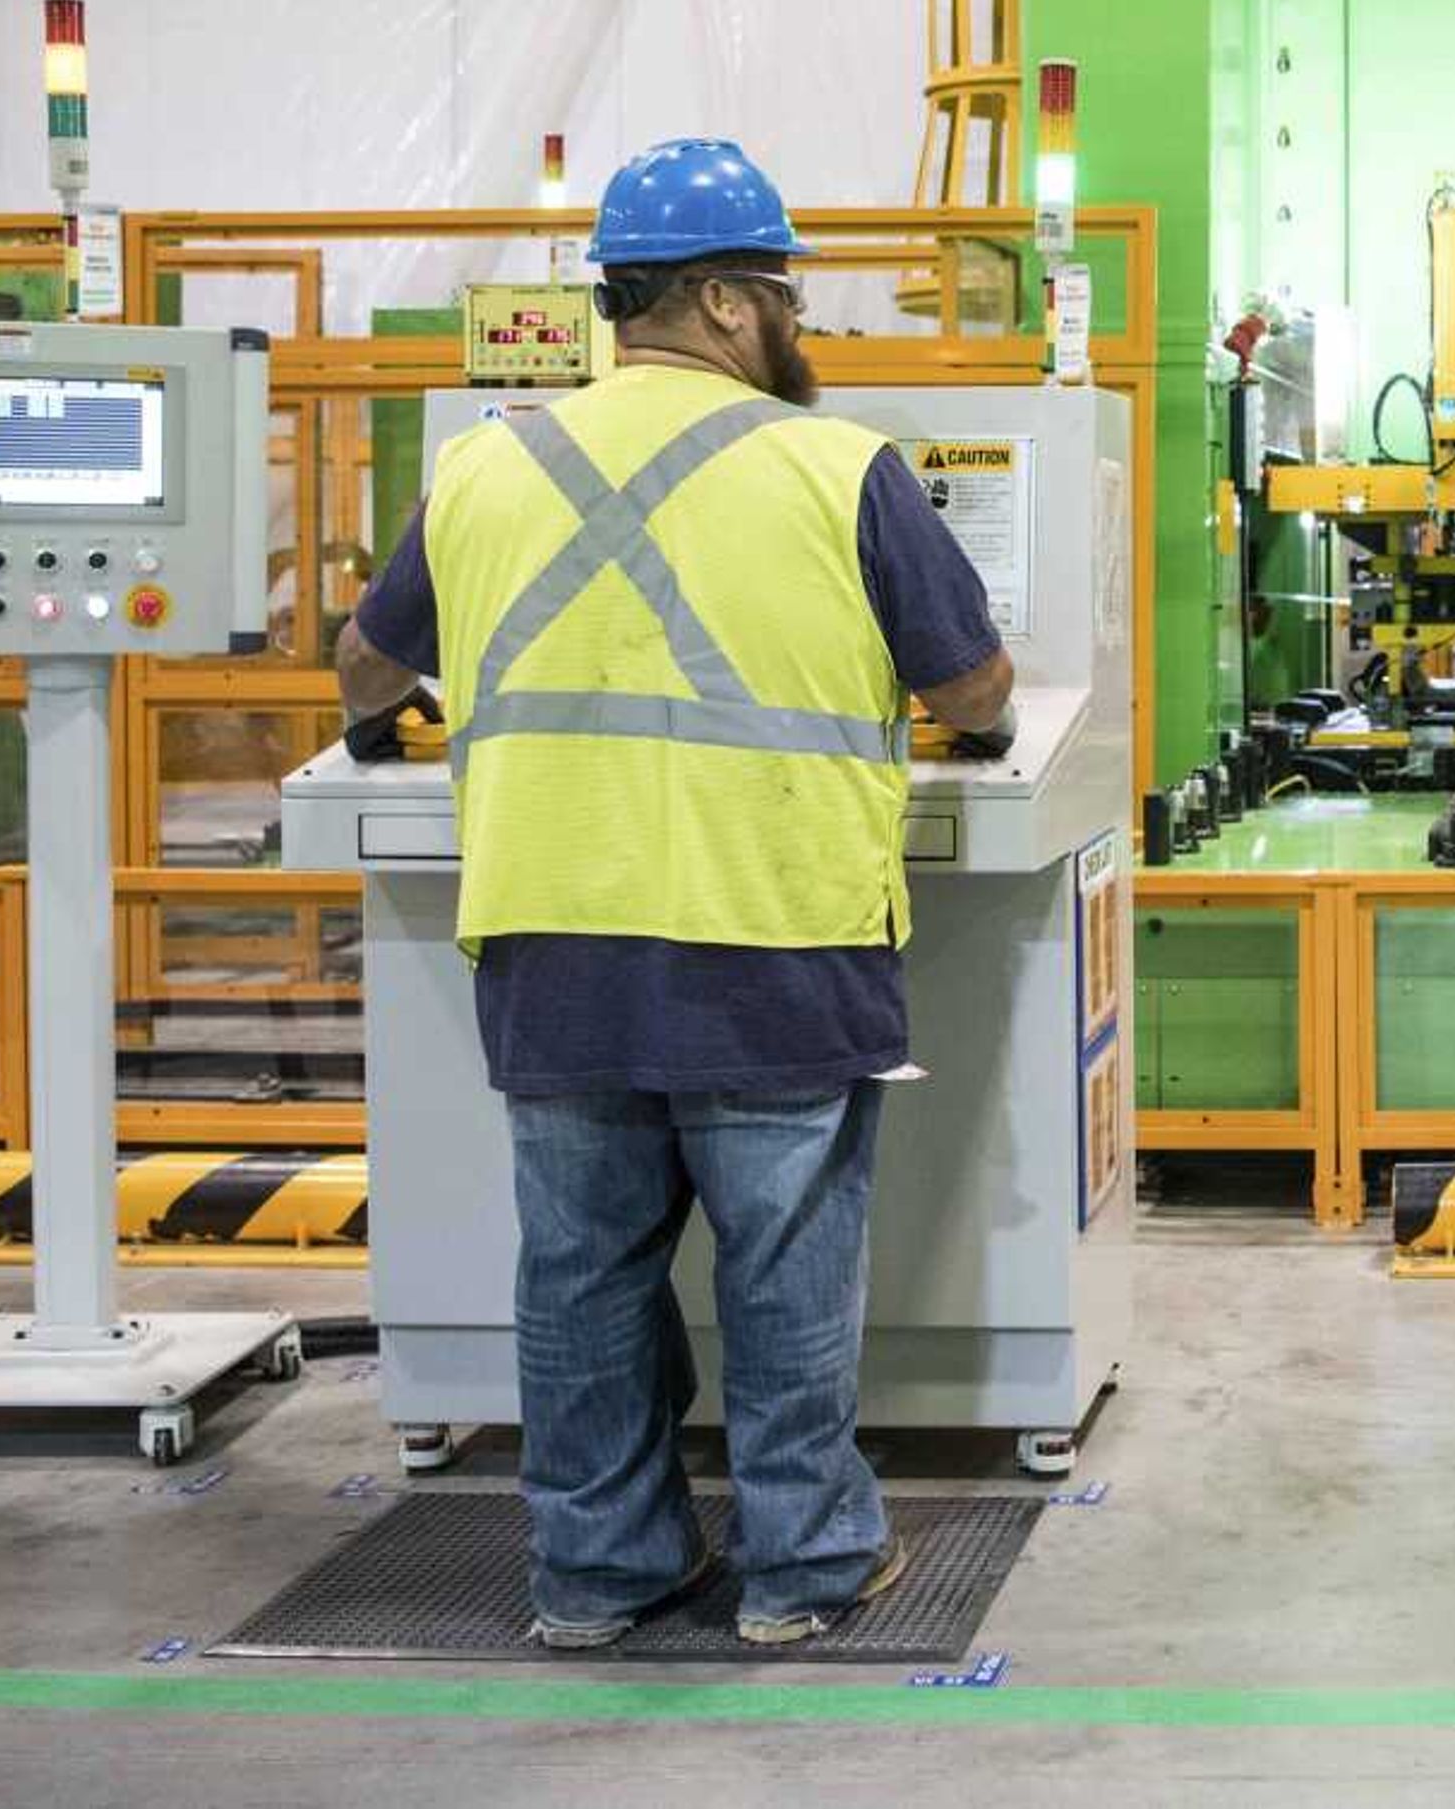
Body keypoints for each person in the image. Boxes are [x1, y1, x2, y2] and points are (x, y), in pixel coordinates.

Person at [335, 137, 1014, 1650]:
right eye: (782, 295)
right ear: (719, 301)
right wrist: (984, 713)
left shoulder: (486, 465)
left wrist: (397, 714)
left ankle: (597, 1575)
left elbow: (365, 667)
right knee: (784, 1275)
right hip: (775, 933)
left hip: (555, 936)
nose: (797, 325)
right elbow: (972, 683)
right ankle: (804, 1571)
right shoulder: (843, 468)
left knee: (580, 1276)